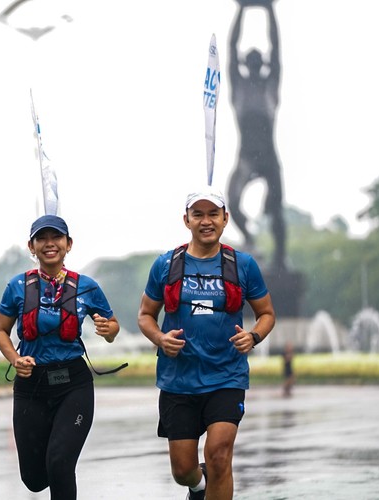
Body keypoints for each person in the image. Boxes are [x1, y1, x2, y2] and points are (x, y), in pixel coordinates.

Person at [137, 186, 275, 500]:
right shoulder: (166, 264)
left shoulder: (242, 265)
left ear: (225, 218)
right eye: (198, 214)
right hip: (178, 380)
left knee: (219, 455)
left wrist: (253, 336)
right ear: (186, 220)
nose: (206, 221)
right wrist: (160, 338)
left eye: (213, 214)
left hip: (226, 376)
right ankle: (199, 487)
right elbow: (145, 315)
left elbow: (266, 313)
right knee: (182, 470)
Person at [0, 214, 121, 500]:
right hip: (31, 386)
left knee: (60, 463)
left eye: (56, 238)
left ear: (68, 244)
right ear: (32, 246)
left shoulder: (87, 286)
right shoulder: (17, 286)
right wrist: (15, 359)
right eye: (42, 238)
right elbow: (0, 330)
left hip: (73, 385)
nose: (49, 244)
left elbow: (113, 327)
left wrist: (108, 330)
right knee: (35, 479)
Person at [228, 0, 286, 270]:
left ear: (261, 64)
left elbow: (276, 49)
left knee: (276, 209)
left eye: (256, 61)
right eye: (248, 61)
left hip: (269, 156)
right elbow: (231, 49)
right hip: (246, 157)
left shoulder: (269, 86)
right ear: (245, 64)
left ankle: (280, 259)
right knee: (232, 202)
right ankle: (250, 239)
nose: (252, 65)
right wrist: (241, 9)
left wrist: (270, 9)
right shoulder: (239, 87)